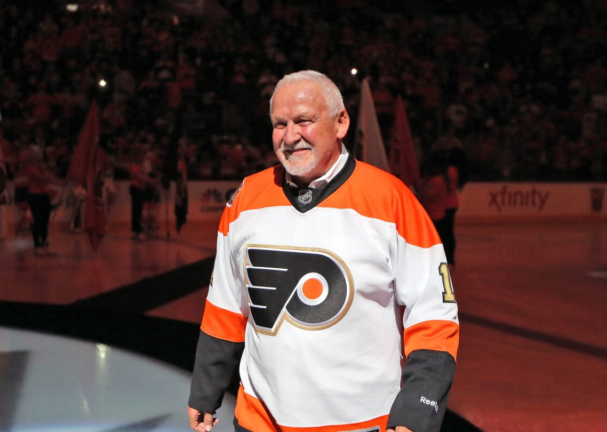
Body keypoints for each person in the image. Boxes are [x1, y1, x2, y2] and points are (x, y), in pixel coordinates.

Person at [187, 71, 459, 432]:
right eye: (279, 124)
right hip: (258, 421)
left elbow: (434, 317)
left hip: (364, 424)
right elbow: (225, 304)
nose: (290, 136)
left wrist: (417, 410)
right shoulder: (246, 199)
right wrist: (205, 388)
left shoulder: (392, 201)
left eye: (304, 120)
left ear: (341, 122)